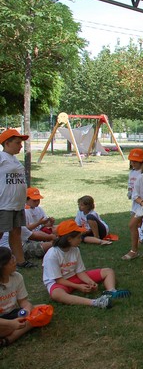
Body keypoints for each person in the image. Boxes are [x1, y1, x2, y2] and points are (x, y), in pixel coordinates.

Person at [42, 220, 130, 309]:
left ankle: (111, 291)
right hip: (59, 282)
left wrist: (90, 282)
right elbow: (58, 280)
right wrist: (78, 286)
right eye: (78, 237)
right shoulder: (52, 255)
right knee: (57, 295)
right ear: (69, 239)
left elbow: (80, 271)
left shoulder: (75, 249)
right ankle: (95, 302)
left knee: (108, 271)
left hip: (74, 276)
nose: (81, 240)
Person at [0, 129, 33, 269]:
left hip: (17, 205)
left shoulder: (13, 158)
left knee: (16, 233)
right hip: (4, 204)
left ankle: (20, 261)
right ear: (7, 143)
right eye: (17, 143)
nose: (20, 146)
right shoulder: (1, 157)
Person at [0, 247, 35, 347]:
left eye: (13, 257)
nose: (14, 260)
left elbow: (23, 301)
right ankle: (10, 336)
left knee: (39, 311)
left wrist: (27, 310)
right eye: (10, 259)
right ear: (2, 266)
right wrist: (11, 324)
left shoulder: (17, 277)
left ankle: (6, 339)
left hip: (12, 313)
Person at [122, 148, 143, 260]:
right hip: (135, 204)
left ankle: (134, 250)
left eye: (135, 161)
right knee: (141, 227)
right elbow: (130, 185)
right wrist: (129, 192)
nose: (133, 163)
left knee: (133, 225)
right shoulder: (132, 172)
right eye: (131, 161)